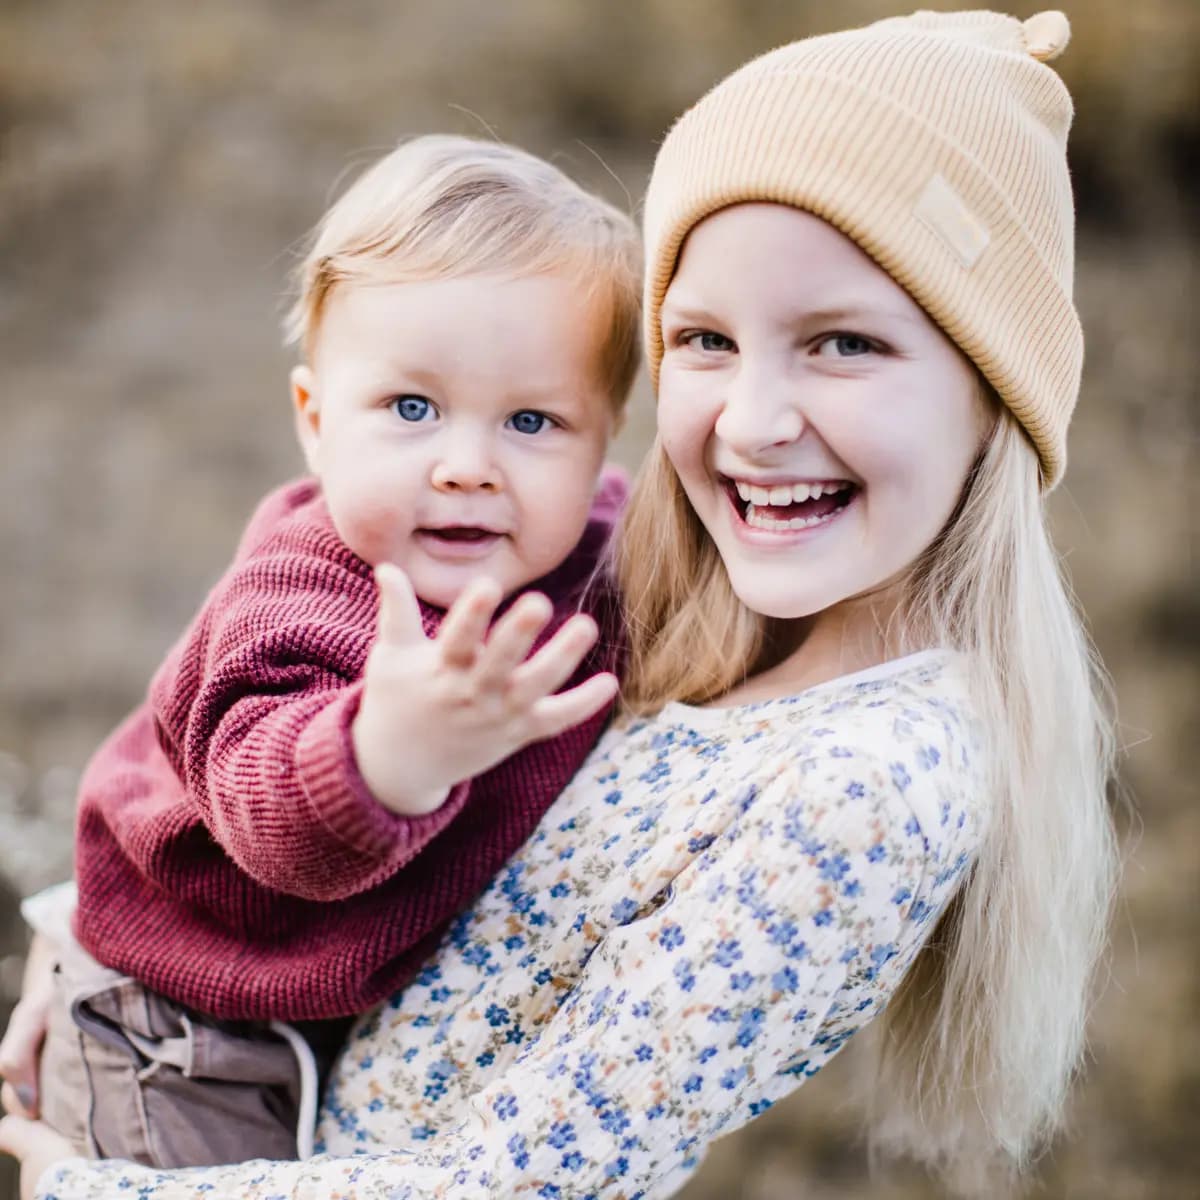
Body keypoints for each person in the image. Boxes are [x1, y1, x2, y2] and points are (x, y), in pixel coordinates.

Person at [0, 9, 1119, 1199]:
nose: (748, 423)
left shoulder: (865, 788)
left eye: (843, 343)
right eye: (704, 339)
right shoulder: (659, 588)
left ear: (995, 392)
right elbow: (206, 740)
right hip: (222, 1044)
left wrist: (92, 1188)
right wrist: (98, 942)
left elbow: (519, 1184)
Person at [0, 134, 642, 1169]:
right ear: (314, 421)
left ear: (604, 440)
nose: (468, 466)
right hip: (176, 1023)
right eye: (412, 409)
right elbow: (266, 812)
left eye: (532, 420)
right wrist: (390, 755)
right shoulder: (302, 596)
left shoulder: (594, 558)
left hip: (330, 1014)